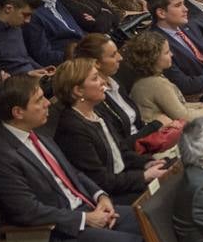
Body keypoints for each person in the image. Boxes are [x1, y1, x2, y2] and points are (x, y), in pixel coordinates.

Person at [0, 74, 148, 242]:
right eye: (39, 100)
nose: (47, 103)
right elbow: (28, 212)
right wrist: (85, 219)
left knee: (153, 222)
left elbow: (73, 173)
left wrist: (101, 196)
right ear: (18, 112)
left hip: (88, 208)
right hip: (62, 233)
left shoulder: (37, 133)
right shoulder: (1, 156)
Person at [52, 58, 169, 204]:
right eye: (95, 79)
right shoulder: (71, 128)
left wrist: (146, 163)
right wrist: (143, 176)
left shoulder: (97, 112)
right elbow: (100, 180)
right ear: (78, 91)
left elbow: (121, 151)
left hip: (123, 181)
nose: (102, 82)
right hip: (110, 197)